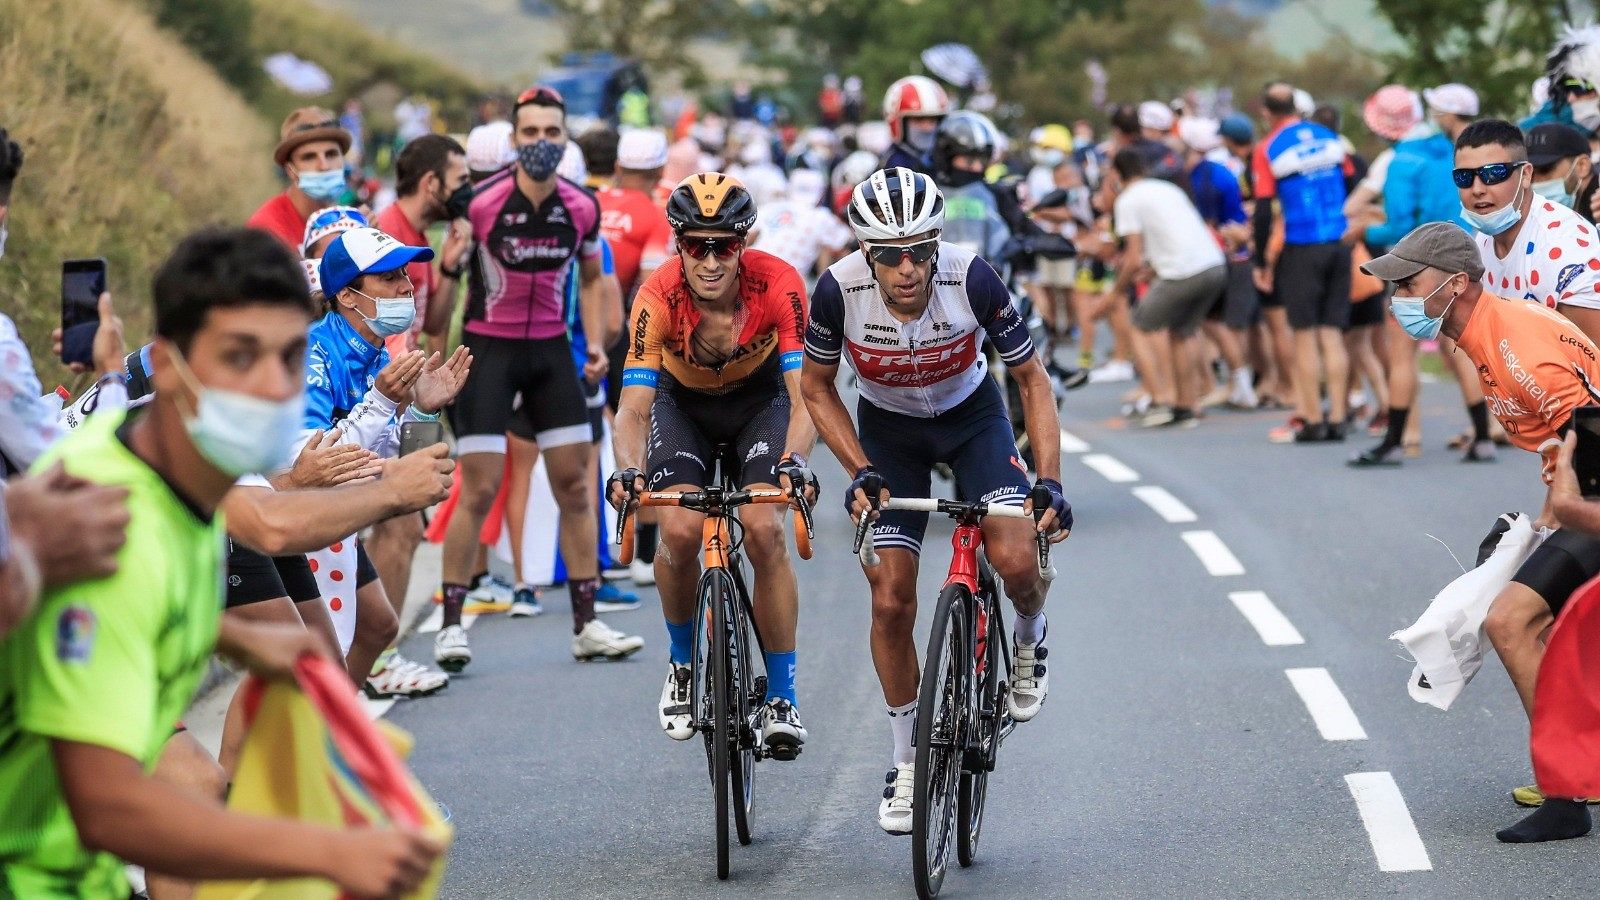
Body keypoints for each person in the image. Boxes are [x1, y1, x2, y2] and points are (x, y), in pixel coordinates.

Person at [0, 226, 444, 898]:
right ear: (169, 366)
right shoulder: (106, 516)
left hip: (76, 873)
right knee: (195, 788)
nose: (270, 385)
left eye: (289, 358)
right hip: (31, 877)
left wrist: (234, 635)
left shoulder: (187, 478)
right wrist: (329, 851)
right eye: (239, 357)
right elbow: (108, 807)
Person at [799, 168, 1070, 833]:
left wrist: (1051, 480)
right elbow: (815, 388)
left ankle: (1030, 633)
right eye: (891, 255)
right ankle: (906, 760)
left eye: (921, 250)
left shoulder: (971, 276)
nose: (908, 268)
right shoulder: (837, 289)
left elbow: (1032, 380)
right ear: (867, 252)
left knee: (1015, 559)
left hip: (973, 419)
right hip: (890, 433)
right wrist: (859, 470)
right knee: (891, 598)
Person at [1361, 221, 1600, 843]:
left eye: (1408, 284)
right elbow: (1566, 445)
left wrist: (1550, 525)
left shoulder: (1516, 347)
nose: (1398, 298)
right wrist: (1542, 524)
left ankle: (1568, 794)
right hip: (1586, 487)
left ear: (1457, 284)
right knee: (1543, 624)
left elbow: (1588, 441)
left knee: (1510, 621)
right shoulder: (1482, 333)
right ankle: (1578, 768)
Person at [608, 172, 816, 756]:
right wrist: (628, 471)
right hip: (684, 407)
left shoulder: (780, 284)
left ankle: (782, 696)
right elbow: (633, 408)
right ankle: (681, 664)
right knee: (677, 529)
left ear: (742, 244)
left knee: (763, 528)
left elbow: (807, 398)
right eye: (694, 245)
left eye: (723, 246)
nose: (708, 260)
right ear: (677, 244)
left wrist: (796, 461)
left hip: (761, 404)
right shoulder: (656, 296)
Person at [439, 85, 639, 668]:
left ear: (564, 137)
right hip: (489, 350)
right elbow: (447, 289)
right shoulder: (479, 202)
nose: (542, 143)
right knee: (478, 488)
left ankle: (587, 623)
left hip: (552, 351)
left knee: (574, 485)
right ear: (514, 138)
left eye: (552, 132)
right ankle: (451, 627)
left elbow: (594, 278)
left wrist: (596, 344)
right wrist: (436, 335)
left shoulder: (581, 206)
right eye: (531, 133)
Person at [307, 227, 472, 679]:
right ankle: (328, 718)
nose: (406, 287)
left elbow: (394, 462)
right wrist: (382, 402)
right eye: (389, 277)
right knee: (321, 653)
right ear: (347, 295)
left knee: (379, 626)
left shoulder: (377, 355)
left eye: (405, 274)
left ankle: (341, 713)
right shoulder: (312, 352)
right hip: (294, 519)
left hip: (333, 520)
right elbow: (314, 465)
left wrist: (422, 410)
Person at [1350, 84, 1482, 465]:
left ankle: (1399, 439)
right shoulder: (1452, 153)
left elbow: (1400, 226)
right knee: (1457, 347)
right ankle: (1484, 434)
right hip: (1460, 256)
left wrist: (1365, 232)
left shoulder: (1402, 160)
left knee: (1402, 353)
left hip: (1418, 262)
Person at [1252, 81, 1355, 443]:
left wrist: (1260, 261)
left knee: (1305, 336)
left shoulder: (1267, 148)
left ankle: (1312, 419)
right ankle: (1339, 417)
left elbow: (1263, 210)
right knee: (1332, 334)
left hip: (1301, 245)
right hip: (1339, 242)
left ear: (1267, 112)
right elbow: (1351, 181)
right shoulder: (1329, 137)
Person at [1105, 148, 1228, 428]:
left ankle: (1160, 397)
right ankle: (1189, 403)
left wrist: (1113, 294)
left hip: (1183, 271)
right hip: (1213, 264)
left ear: (1117, 174)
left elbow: (1132, 258)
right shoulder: (1167, 189)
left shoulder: (1128, 199)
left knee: (1138, 325)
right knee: (1183, 332)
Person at [1179, 117, 1257, 409]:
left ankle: (1239, 384)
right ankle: (1237, 383)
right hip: (1229, 254)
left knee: (1218, 323)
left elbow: (1219, 220)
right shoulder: (1222, 170)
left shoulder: (1203, 175)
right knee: (1222, 324)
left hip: (1219, 255)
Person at [247, 108, 353, 251]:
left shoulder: (350, 220)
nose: (324, 166)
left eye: (331, 154)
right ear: (290, 170)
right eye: (309, 157)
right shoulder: (266, 230)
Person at [750, 168, 853, 279]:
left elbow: (748, 236)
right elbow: (846, 243)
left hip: (751, 268)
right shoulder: (821, 216)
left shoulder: (772, 206)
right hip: (784, 279)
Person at [879, 75, 949, 175]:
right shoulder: (895, 166)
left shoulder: (938, 157)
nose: (928, 128)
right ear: (899, 123)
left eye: (933, 120)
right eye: (919, 120)